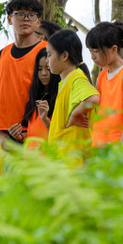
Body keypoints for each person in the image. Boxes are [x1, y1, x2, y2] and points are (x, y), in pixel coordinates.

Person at [0, 0, 47, 147]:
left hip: (38, 136)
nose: (26, 19)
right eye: (20, 14)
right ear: (9, 19)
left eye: (31, 15)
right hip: (8, 138)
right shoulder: (2, 55)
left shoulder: (47, 51)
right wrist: (0, 134)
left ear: (38, 22)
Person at [86, 21, 123, 145]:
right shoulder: (102, 75)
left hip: (119, 147)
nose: (92, 56)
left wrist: (121, 148)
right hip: (100, 145)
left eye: (96, 51)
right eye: (90, 51)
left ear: (114, 49)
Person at [46, 29, 100, 157]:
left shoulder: (76, 79)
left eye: (49, 54)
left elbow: (94, 98)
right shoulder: (67, 81)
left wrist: (75, 114)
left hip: (73, 163)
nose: (47, 60)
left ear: (64, 56)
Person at [8, 47, 57, 147]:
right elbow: (29, 134)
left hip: (50, 159)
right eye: (39, 69)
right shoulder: (33, 99)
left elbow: (61, 136)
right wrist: (18, 136)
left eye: (48, 68)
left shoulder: (60, 97)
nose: (43, 73)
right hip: (30, 159)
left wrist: (46, 120)